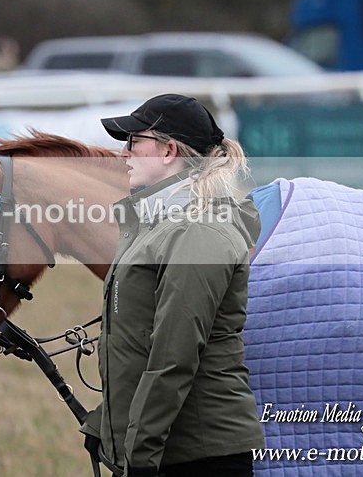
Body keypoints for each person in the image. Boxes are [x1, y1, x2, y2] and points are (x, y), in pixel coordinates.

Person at [82, 94, 265, 476]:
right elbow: (138, 343)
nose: (124, 153)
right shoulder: (157, 223)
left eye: (134, 141)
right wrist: (107, 425)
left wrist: (139, 456)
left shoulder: (198, 230)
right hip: (167, 450)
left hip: (199, 459)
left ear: (168, 151)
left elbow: (173, 358)